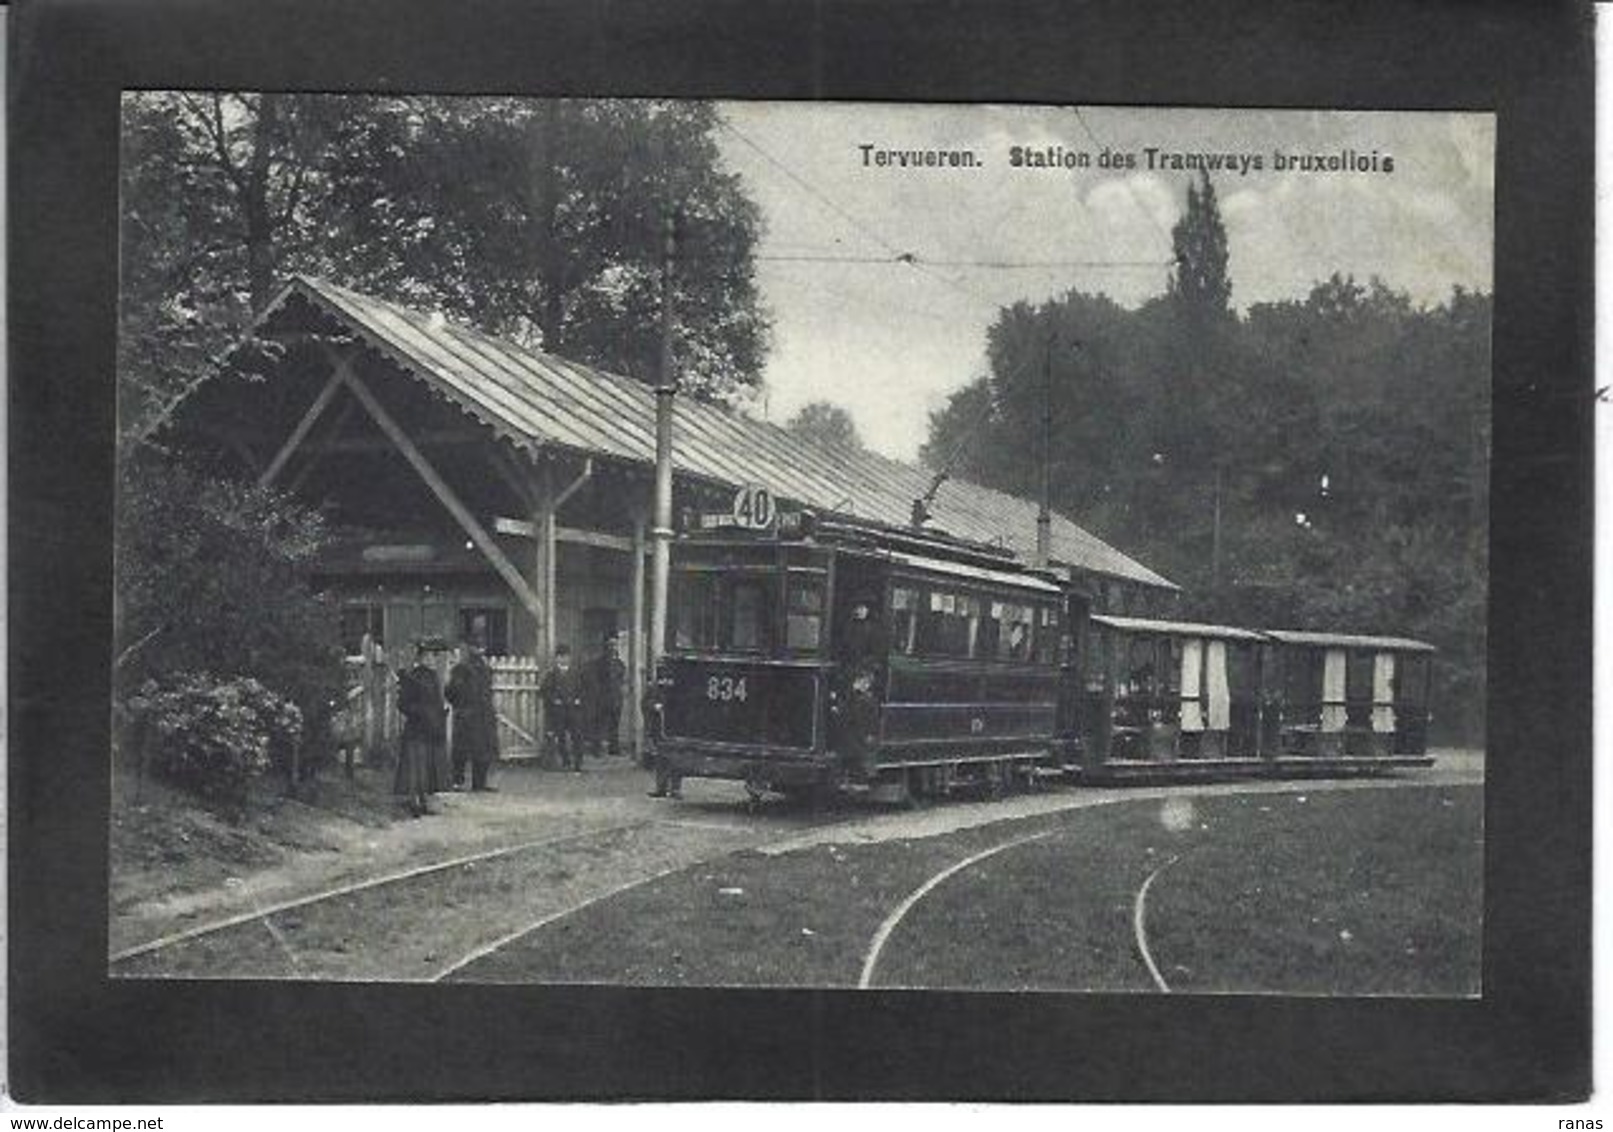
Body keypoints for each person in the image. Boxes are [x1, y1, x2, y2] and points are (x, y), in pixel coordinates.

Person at [394, 637, 452, 817]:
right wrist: (420, 712)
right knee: (415, 768)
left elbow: (434, 701)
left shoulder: (433, 677)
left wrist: (439, 713)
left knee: (427, 767)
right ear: (421, 658)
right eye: (428, 657)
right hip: (416, 728)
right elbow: (402, 704)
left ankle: (424, 801)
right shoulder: (415, 677)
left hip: (430, 728)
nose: (432, 660)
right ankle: (414, 802)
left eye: (433, 657)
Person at [445, 636, 501, 791]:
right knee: (463, 750)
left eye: (481, 647)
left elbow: (486, 692)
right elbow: (450, 692)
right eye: (476, 647)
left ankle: (477, 783)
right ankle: (459, 782)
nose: (479, 650)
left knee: (482, 750)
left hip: (481, 714)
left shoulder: (484, 669)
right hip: (469, 714)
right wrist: (461, 707)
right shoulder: (462, 669)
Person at [540, 643, 586, 772]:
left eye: (566, 656)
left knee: (577, 736)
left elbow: (583, 689)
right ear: (557, 658)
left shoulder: (576, 673)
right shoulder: (552, 674)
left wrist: (579, 699)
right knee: (560, 736)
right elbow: (545, 690)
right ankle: (565, 759)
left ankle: (578, 763)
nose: (564, 659)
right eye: (561, 657)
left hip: (573, 709)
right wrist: (554, 700)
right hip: (559, 711)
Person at [582, 631, 627, 758]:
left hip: (616, 698)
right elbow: (593, 679)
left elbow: (621, 680)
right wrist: (598, 693)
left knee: (615, 724)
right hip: (602, 698)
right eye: (610, 645)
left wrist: (619, 693)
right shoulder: (599, 663)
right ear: (606, 646)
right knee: (600, 724)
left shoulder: (620, 664)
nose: (613, 648)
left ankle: (614, 748)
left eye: (615, 645)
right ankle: (596, 749)